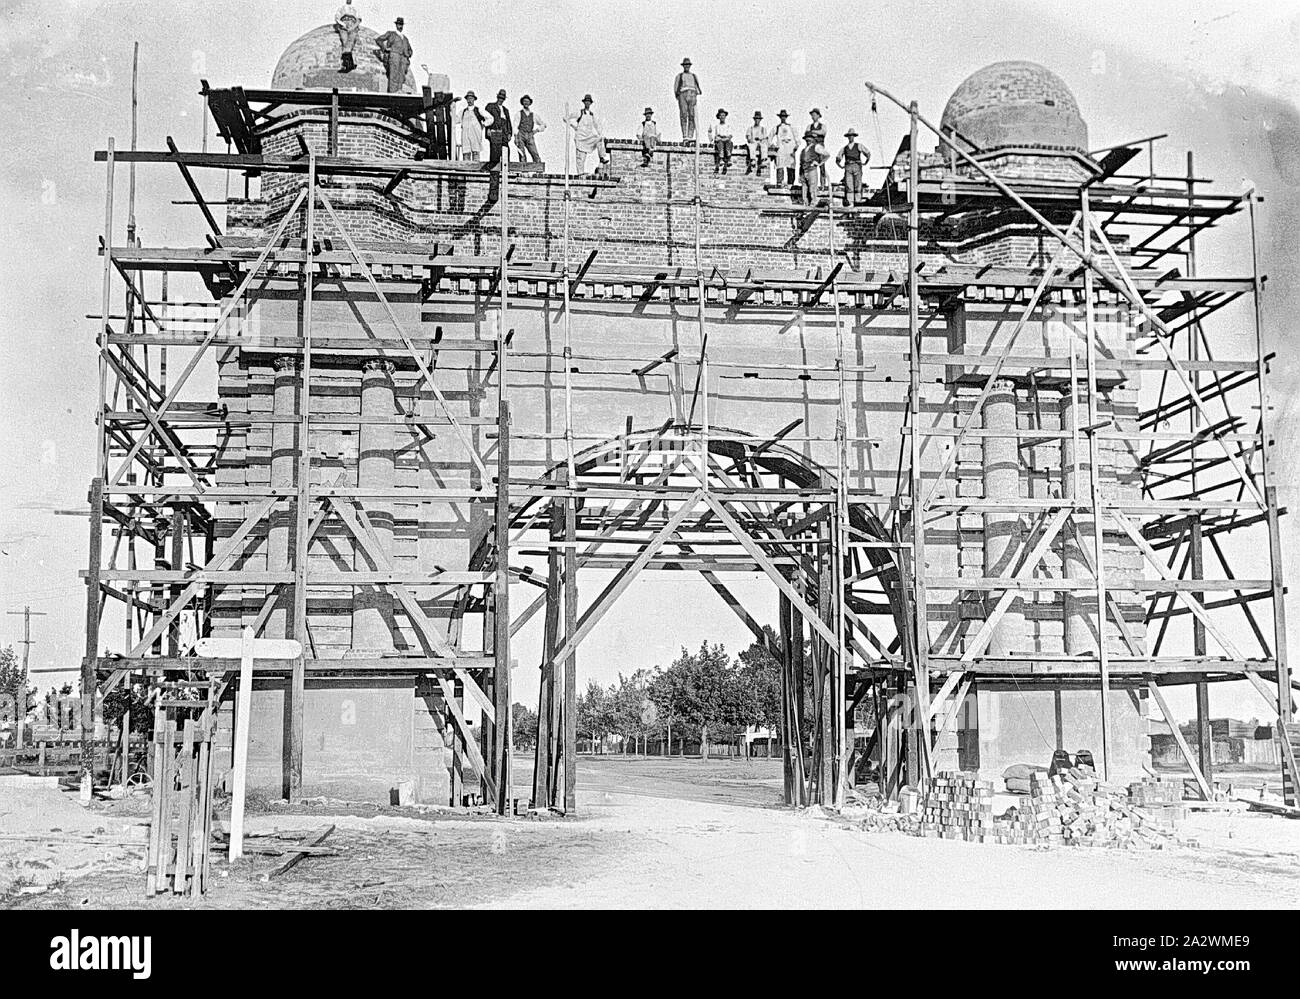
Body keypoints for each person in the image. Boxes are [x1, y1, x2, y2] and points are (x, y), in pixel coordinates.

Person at [565, 94, 605, 175]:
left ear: (590, 103)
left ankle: (601, 157)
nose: (587, 103)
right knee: (580, 157)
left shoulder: (591, 115)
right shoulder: (579, 113)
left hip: (589, 136)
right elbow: (566, 118)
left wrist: (601, 133)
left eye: (589, 102)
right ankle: (580, 173)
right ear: (584, 103)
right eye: (586, 102)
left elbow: (597, 125)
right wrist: (574, 126)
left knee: (599, 139)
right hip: (580, 138)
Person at [375, 17, 412, 93]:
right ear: (396, 25)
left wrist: (408, 54)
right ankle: (393, 92)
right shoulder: (391, 34)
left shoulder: (405, 39)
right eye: (399, 24)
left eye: (401, 25)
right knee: (393, 75)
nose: (400, 26)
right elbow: (379, 39)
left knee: (401, 76)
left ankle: (399, 91)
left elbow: (410, 49)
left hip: (403, 58)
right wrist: (385, 48)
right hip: (394, 56)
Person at [836, 128, 870, 206]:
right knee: (849, 185)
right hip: (848, 167)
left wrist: (866, 162)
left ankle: (857, 202)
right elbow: (838, 158)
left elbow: (868, 153)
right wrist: (840, 166)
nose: (850, 137)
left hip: (857, 166)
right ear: (847, 137)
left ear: (854, 137)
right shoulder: (844, 148)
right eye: (849, 136)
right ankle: (850, 203)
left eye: (852, 136)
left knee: (858, 185)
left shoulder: (859, 146)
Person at [674, 57, 702, 142]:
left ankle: (690, 135)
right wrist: (679, 96)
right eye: (685, 65)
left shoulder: (693, 76)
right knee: (683, 114)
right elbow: (676, 88)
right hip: (683, 93)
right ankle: (685, 135)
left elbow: (697, 87)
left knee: (692, 115)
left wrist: (695, 94)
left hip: (692, 94)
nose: (687, 66)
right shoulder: (680, 75)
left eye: (688, 65)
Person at [484, 89, 513, 168]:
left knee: (506, 152)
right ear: (497, 97)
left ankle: (506, 172)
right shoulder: (490, 106)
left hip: (504, 132)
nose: (501, 99)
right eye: (500, 97)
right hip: (495, 131)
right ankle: (493, 173)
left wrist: (510, 133)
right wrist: (488, 129)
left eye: (503, 98)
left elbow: (508, 122)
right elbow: (486, 118)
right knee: (495, 153)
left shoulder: (506, 110)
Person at [799, 128, 828, 206]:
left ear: (813, 139)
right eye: (806, 138)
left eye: (810, 138)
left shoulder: (816, 147)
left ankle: (813, 204)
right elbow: (800, 163)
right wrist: (800, 175)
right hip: (804, 171)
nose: (808, 140)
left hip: (812, 170)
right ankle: (805, 205)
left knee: (812, 189)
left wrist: (819, 163)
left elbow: (826, 155)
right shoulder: (803, 150)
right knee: (804, 190)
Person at [515, 95, 547, 164]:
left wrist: (536, 130)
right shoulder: (519, 114)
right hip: (521, 134)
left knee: (535, 154)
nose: (526, 103)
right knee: (522, 154)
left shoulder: (533, 115)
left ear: (530, 103)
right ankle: (524, 172)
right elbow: (515, 126)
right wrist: (516, 137)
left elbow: (543, 124)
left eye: (527, 101)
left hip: (529, 135)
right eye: (524, 101)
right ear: (522, 103)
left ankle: (538, 171)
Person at [335, 1, 362, 73]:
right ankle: (349, 64)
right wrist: (343, 25)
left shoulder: (354, 9)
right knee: (345, 42)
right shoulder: (341, 8)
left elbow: (359, 19)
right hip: (343, 26)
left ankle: (347, 64)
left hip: (353, 25)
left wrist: (353, 26)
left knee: (350, 43)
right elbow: (337, 18)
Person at [460, 91, 487, 161]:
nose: (469, 100)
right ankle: (466, 171)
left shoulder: (478, 110)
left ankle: (476, 170)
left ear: (474, 99)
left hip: (475, 134)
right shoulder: (463, 111)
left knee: (476, 153)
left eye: (471, 98)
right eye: (468, 99)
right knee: (466, 153)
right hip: (465, 135)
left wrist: (484, 124)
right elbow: (455, 119)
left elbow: (490, 118)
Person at [772, 109, 797, 186]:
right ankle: (779, 183)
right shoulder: (777, 128)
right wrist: (773, 145)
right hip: (781, 148)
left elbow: (797, 138)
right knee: (780, 165)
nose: (783, 118)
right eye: (782, 117)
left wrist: (796, 147)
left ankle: (791, 184)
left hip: (789, 149)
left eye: (784, 117)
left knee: (791, 166)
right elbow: (769, 138)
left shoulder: (791, 127)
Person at [709, 109, 735, 174]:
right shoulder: (717, 126)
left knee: (728, 144)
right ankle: (721, 158)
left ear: (725, 116)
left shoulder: (728, 126)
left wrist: (723, 139)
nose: (722, 117)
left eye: (723, 115)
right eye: (720, 115)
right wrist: (718, 139)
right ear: (719, 117)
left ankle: (728, 158)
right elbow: (716, 136)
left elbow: (730, 136)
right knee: (720, 143)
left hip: (726, 139)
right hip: (720, 140)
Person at [807, 108, 828, 188]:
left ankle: (823, 184)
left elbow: (823, 132)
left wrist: (814, 132)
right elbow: (807, 133)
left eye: (815, 115)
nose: (813, 116)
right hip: (812, 148)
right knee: (812, 165)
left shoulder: (822, 126)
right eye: (812, 115)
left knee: (822, 165)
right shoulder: (809, 126)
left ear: (818, 116)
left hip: (820, 147)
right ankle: (812, 184)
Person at [745, 111, 769, 178]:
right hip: (754, 141)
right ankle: (753, 160)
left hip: (761, 142)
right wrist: (750, 139)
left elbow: (765, 137)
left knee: (764, 145)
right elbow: (748, 137)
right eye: (756, 119)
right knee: (751, 146)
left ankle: (763, 160)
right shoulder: (751, 128)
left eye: (758, 119)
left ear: (760, 120)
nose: (757, 120)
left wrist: (761, 139)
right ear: (754, 119)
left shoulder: (763, 129)